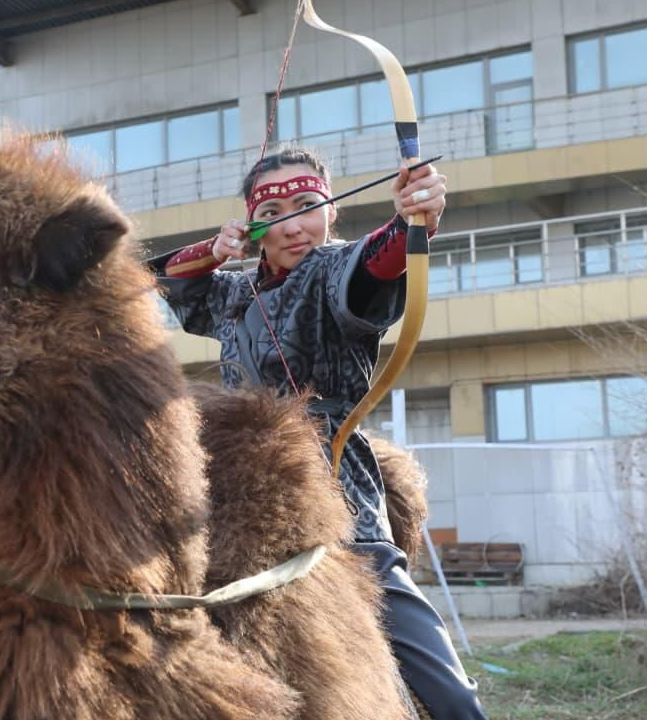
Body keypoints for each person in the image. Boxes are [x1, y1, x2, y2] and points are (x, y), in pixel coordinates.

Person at [153, 147, 487, 720]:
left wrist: (414, 219)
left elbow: (379, 263)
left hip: (336, 494)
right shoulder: (233, 292)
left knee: (450, 699)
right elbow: (152, 278)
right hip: (236, 499)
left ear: (331, 211)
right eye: (274, 209)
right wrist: (212, 251)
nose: (294, 224)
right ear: (254, 222)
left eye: (309, 205)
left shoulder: (334, 270)